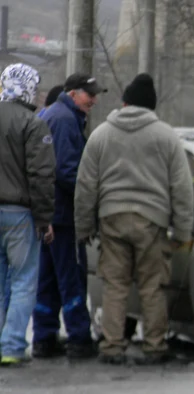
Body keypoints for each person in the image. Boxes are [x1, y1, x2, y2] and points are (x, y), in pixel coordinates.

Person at [74, 74, 194, 365]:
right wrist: (183, 231)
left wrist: (84, 227)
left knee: (115, 285)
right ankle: (155, 346)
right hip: (151, 220)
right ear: (151, 108)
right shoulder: (167, 136)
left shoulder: (101, 134)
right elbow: (181, 187)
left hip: (111, 219)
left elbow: (86, 184)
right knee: (152, 285)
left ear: (124, 103)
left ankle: (112, 346)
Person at [32, 73, 107, 360]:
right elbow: (67, 171)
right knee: (72, 277)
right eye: (90, 94)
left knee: (48, 280)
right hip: (64, 216)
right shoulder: (64, 120)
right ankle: (78, 338)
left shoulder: (53, 114)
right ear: (73, 93)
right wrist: (91, 194)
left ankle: (44, 337)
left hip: (51, 212)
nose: (94, 100)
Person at [0, 63, 56, 366]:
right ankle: (11, 347)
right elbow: (42, 175)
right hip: (20, 215)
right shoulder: (33, 125)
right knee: (23, 281)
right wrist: (44, 218)